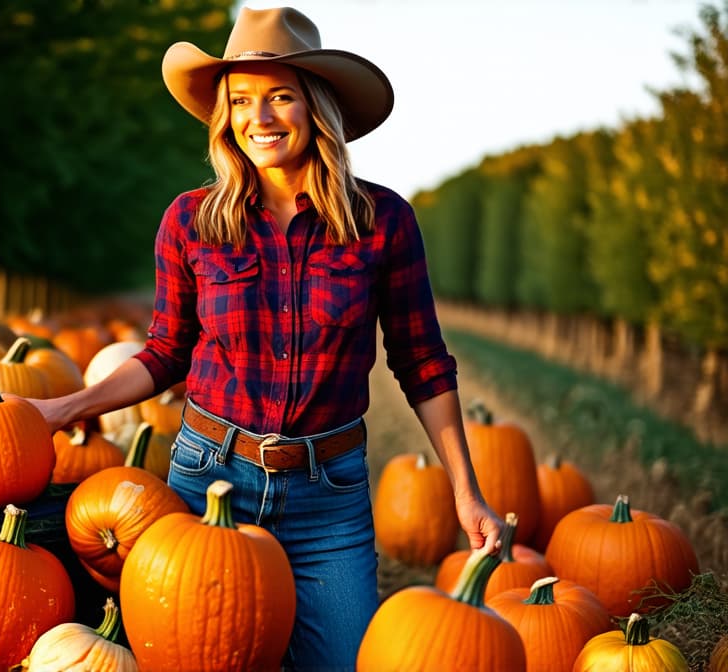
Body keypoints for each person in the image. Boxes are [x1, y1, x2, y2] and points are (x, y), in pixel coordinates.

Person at [31, 6, 503, 670]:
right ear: (226, 116)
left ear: (315, 106)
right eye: (242, 100)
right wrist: (62, 408)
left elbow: (423, 362)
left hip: (328, 499)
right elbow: (165, 351)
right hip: (208, 480)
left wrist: (465, 490)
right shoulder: (191, 221)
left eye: (281, 95)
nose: (262, 116)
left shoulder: (382, 221)